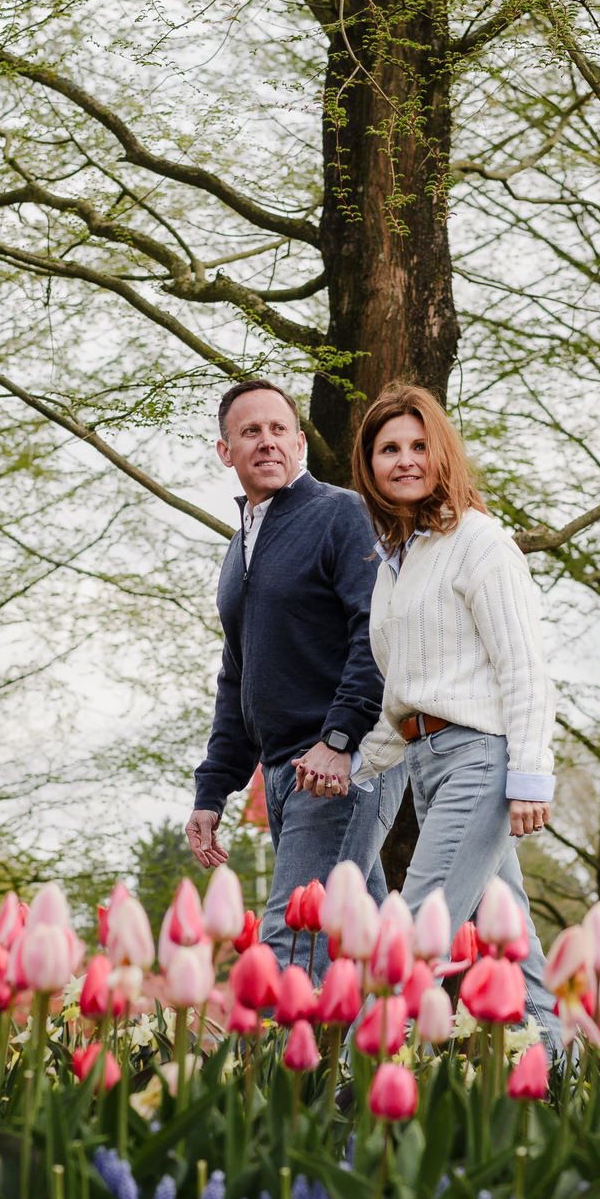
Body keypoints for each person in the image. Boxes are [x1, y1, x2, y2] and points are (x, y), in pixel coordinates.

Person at [350, 382, 559, 1039]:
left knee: (417, 931)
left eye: (419, 445)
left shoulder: (480, 542)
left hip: (480, 760)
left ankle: (350, 1082)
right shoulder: (394, 563)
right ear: (370, 465)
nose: (405, 460)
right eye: (388, 449)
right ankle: (562, 1074)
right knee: (511, 937)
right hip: (426, 762)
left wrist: (530, 777)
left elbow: (523, 666)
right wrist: (356, 766)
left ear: (443, 454)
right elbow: (407, 692)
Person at [185, 379, 406, 972]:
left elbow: (376, 633)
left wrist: (339, 739)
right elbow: (238, 677)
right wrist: (213, 790)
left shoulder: (342, 513)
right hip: (283, 771)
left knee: (291, 946)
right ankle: (410, 1033)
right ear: (225, 451)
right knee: (367, 955)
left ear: (300, 443)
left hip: (342, 764)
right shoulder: (241, 547)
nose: (267, 442)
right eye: (250, 431)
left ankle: (262, 1049)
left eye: (279, 429)